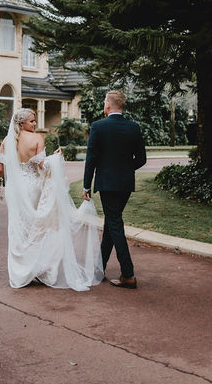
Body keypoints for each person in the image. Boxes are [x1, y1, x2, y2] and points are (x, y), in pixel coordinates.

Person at [0, 108, 104, 290]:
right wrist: (56, 158)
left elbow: (0, 170)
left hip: (14, 190)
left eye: (35, 120)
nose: (35, 124)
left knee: (18, 228)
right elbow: (43, 167)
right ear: (22, 123)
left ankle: (20, 273)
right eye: (32, 121)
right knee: (37, 227)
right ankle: (40, 268)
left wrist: (15, 176)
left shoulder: (7, 141)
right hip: (33, 188)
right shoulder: (37, 139)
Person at [83, 90, 147, 289]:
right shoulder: (134, 127)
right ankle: (98, 269)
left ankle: (128, 274)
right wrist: (126, 170)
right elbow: (142, 159)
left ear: (108, 106)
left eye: (104, 103)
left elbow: (91, 159)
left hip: (107, 184)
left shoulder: (98, 127)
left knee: (114, 223)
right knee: (112, 223)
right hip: (125, 185)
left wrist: (86, 185)